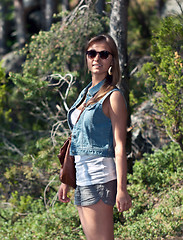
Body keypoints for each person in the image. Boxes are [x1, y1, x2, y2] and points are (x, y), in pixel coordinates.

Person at [58, 34, 132, 240]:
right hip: (82, 178)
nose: (96, 59)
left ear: (112, 60)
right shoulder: (85, 93)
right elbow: (77, 139)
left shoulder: (113, 96)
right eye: (92, 53)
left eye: (103, 54)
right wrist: (66, 179)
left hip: (100, 177)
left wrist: (122, 189)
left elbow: (119, 146)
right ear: (87, 58)